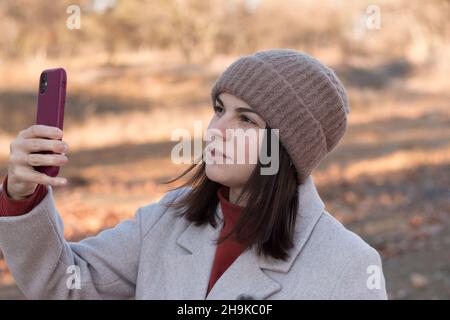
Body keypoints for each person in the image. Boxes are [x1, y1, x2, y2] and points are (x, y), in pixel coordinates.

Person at [0, 49, 387, 299]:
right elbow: (62, 282)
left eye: (246, 119)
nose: (217, 129)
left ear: (287, 149)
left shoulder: (349, 266)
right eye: (220, 109)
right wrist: (21, 196)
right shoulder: (164, 222)